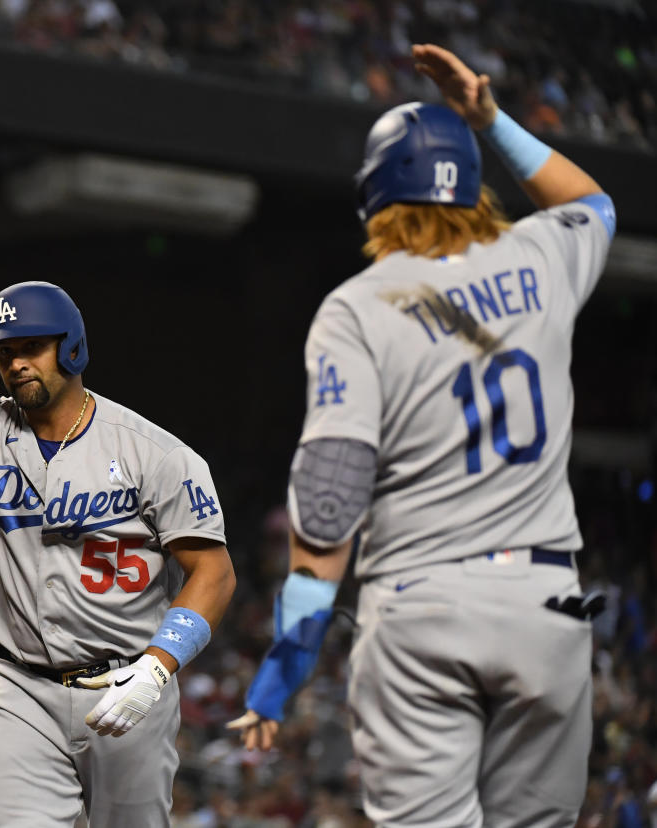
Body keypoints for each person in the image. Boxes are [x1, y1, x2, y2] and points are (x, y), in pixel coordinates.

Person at [228, 43, 616, 827]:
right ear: (472, 185)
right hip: (547, 606)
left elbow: (332, 499)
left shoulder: (360, 306)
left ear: (374, 197)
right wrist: (494, 120)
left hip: (423, 608)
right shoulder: (541, 256)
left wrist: (286, 664)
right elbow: (597, 203)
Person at [0, 211, 236, 826]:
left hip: (128, 685)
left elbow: (212, 574)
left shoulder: (155, 453)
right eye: (5, 353)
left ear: (74, 347)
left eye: (31, 347)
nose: (16, 364)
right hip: (20, 687)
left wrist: (160, 665)